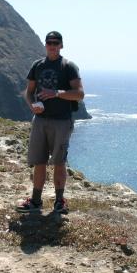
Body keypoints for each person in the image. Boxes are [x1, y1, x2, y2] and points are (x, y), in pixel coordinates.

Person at [16, 31, 84, 215]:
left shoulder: (68, 66)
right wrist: (32, 106)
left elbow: (79, 93)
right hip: (40, 120)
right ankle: (36, 200)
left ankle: (59, 201)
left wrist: (57, 93)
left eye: (56, 42)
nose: (52, 45)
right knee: (39, 161)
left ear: (61, 45)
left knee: (59, 162)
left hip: (62, 121)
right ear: (45, 45)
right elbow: (29, 92)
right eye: (49, 42)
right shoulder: (37, 66)